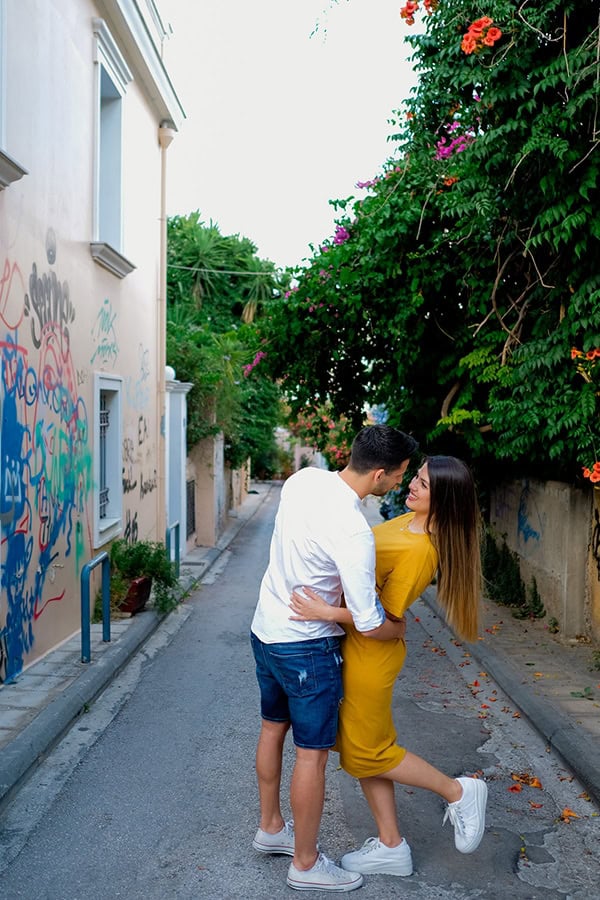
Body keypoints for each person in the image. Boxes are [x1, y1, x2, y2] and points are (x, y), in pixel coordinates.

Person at [289, 455, 488, 878]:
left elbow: (388, 626)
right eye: (415, 477)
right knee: (363, 751)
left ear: (446, 500)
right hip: (354, 651)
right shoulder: (404, 521)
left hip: (370, 658)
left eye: (424, 485)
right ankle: (391, 846)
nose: (412, 486)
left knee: (370, 751)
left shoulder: (420, 550)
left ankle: (457, 790)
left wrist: (326, 612)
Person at [250, 424, 419, 893]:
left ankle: (270, 828)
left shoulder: (305, 478)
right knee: (312, 757)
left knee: (271, 727)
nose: (401, 483)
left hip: (266, 629)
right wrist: (398, 628)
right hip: (306, 646)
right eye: (402, 474)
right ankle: (304, 863)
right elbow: (368, 621)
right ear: (382, 474)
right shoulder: (354, 530)